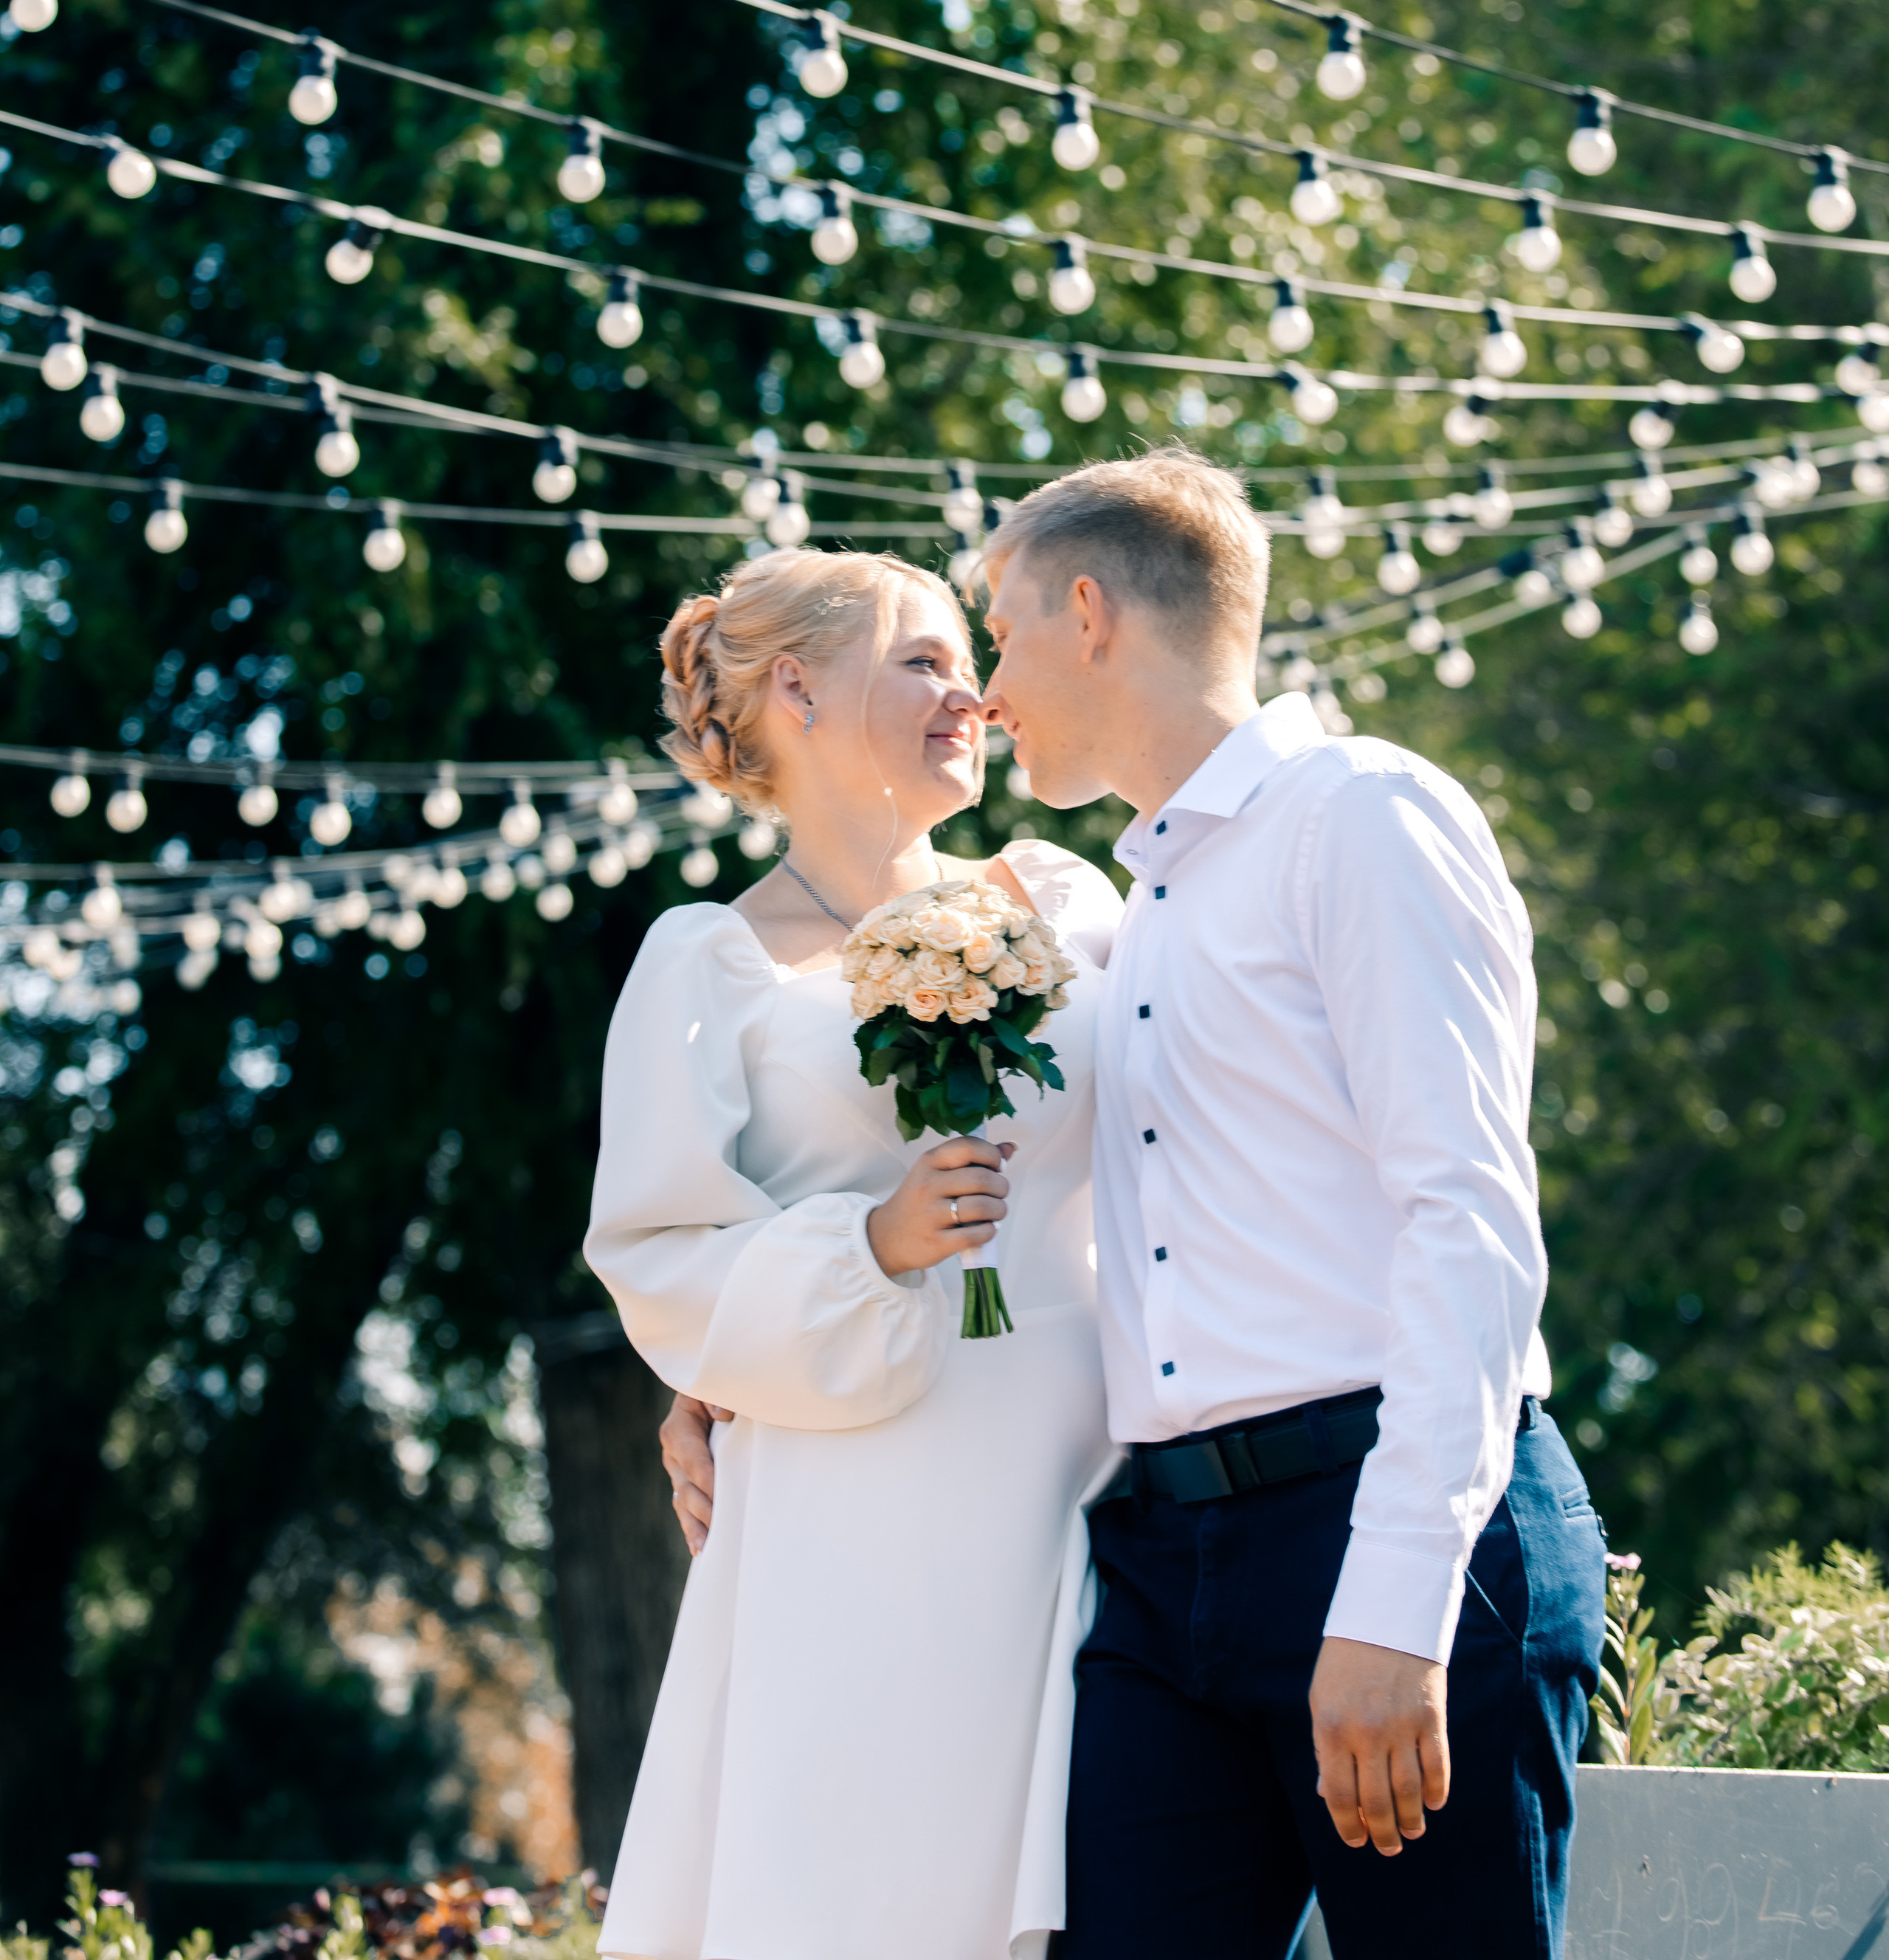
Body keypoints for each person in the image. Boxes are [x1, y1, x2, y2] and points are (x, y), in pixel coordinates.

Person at [670, 449, 1604, 1960]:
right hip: (1158, 1576)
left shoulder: (1353, 814)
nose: (984, 688)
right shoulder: (1128, 911)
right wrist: (728, 1379)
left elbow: (1467, 1222)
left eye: (1000, 632)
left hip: (1379, 1523)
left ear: (1087, 613)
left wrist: (1391, 1600)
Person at [583, 547, 1123, 1960]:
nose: (975, 695)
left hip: (1107, 1483)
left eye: (966, 659)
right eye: (927, 660)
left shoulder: (1066, 904)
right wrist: (863, 1253)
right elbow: (659, 1253)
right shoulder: (711, 967)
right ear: (799, 688)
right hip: (858, 1512)